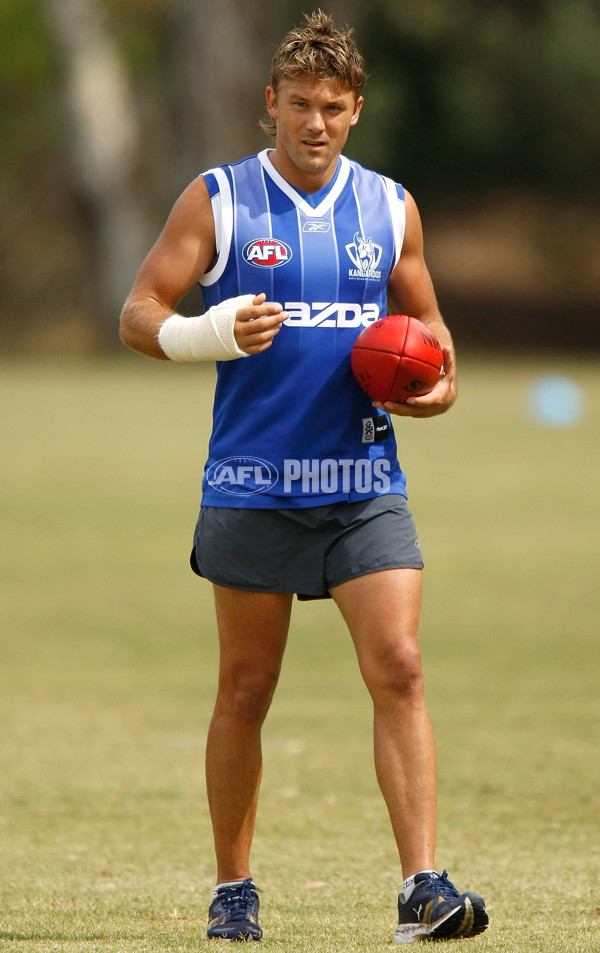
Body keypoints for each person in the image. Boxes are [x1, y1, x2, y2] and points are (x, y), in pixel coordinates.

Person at [119, 10, 488, 945]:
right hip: (251, 481)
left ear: (356, 109)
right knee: (246, 687)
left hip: (364, 477)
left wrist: (435, 393)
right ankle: (233, 887)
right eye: (298, 105)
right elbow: (138, 312)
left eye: (331, 106)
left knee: (399, 666)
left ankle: (422, 887)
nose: (314, 123)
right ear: (268, 104)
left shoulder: (390, 207)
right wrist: (204, 333)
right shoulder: (220, 200)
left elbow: (433, 337)